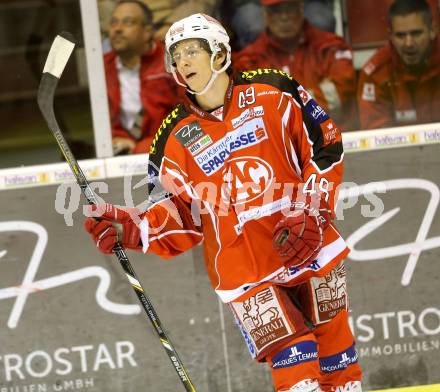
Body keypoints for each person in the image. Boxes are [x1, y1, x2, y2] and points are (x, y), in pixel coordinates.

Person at [84, 13, 362, 391]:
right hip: (244, 268)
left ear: (219, 54)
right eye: (175, 55)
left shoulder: (275, 91)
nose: (182, 62)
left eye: (191, 51)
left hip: (309, 244)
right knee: (298, 371)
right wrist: (133, 227)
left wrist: (311, 209)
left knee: (338, 363)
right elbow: (181, 215)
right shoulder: (171, 140)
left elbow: (325, 147)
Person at [233, 0, 358, 131]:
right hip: (281, 144)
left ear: (301, 9)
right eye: (276, 10)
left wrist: (280, 103)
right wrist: (315, 94)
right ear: (265, 14)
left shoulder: (331, 47)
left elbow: (341, 90)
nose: (284, 17)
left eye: (290, 9)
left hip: (333, 138)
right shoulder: (248, 60)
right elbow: (252, 110)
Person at [105, 0, 179, 154]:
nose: (117, 29)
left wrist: (144, 146)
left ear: (147, 32)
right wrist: (114, 140)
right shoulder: (102, 68)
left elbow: (192, 119)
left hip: (169, 150)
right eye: (113, 23)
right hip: (120, 152)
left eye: (128, 23)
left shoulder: (173, 63)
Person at [357, 0, 440, 129]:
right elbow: (377, 137)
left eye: (416, 33)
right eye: (400, 35)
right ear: (390, 35)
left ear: (433, 31)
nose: (409, 43)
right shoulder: (376, 73)